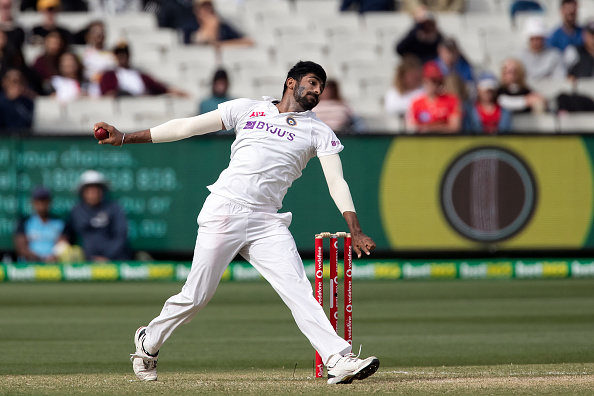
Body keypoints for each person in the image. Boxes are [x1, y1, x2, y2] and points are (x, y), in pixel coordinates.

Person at [94, 61, 380, 385]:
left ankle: (338, 360)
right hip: (224, 210)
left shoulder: (319, 131)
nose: (316, 91)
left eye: (321, 87)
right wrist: (124, 138)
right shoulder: (248, 109)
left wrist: (354, 227)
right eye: (312, 83)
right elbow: (186, 127)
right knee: (196, 296)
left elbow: (336, 182)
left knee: (299, 289)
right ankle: (148, 343)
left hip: (266, 222)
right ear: (290, 83)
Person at [61, 170, 130, 262]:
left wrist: (108, 257)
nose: (93, 192)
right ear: (83, 192)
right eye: (89, 189)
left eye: (97, 188)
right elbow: (67, 236)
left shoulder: (114, 208)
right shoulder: (76, 211)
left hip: (114, 260)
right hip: (86, 262)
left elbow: (121, 236)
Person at [100, 42, 188, 97]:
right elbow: (108, 94)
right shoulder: (109, 75)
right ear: (115, 56)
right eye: (119, 54)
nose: (122, 57)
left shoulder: (140, 75)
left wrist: (181, 93)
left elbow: (159, 87)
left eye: (124, 54)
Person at [406, 60, 461, 133]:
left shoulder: (451, 100)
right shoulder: (416, 103)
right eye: (431, 81)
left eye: (437, 81)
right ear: (424, 81)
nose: (434, 85)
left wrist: (430, 128)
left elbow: (455, 127)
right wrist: (441, 124)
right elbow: (411, 127)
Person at [14, 186, 64, 263]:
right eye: (38, 201)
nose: (41, 204)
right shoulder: (24, 222)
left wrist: (53, 257)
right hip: (29, 266)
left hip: (53, 266)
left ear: (50, 202)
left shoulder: (59, 223)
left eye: (44, 200)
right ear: (32, 202)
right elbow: (22, 248)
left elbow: (62, 244)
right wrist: (41, 258)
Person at [183, 0, 253, 47]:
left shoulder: (223, 27)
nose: (207, 10)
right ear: (196, 10)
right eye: (203, 7)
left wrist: (222, 45)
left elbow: (248, 42)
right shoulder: (190, 28)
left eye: (209, 6)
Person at [81, 21, 116, 96]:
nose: (98, 34)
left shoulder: (113, 54)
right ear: (89, 35)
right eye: (95, 31)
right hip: (90, 88)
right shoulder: (83, 55)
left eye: (101, 31)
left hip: (108, 88)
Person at [32, 29, 65, 93]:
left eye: (57, 43)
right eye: (52, 43)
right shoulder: (40, 61)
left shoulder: (65, 58)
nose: (55, 46)